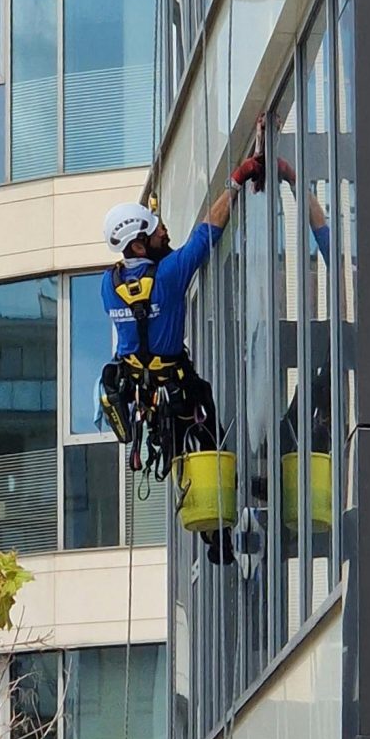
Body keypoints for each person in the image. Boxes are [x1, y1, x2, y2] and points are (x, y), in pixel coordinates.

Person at [99, 132, 267, 558]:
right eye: (156, 231)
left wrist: (151, 210)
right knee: (206, 438)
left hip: (147, 395)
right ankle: (226, 516)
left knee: (178, 457)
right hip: (177, 385)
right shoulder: (170, 275)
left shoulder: (109, 284)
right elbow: (207, 232)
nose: (165, 232)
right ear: (138, 243)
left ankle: (214, 536)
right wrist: (238, 176)